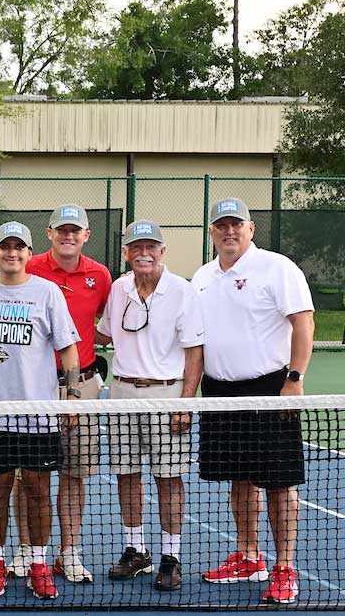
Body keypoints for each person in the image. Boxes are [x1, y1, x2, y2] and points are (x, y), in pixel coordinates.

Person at [192, 198, 313, 605]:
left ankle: (283, 568)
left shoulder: (278, 268)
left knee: (279, 483)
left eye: (236, 224)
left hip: (270, 389)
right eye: (221, 225)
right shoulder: (203, 276)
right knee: (240, 479)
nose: (229, 231)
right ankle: (248, 556)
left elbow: (304, 321)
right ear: (212, 232)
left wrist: (294, 379)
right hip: (219, 393)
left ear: (251, 228)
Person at [0, 221, 81, 600]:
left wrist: (73, 393)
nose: (12, 253)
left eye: (19, 247)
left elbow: (67, 348)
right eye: (5, 246)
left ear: (29, 254)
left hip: (37, 416)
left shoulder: (47, 293)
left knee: (37, 491)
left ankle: (38, 564)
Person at [94, 221, 203, 591]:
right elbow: (103, 331)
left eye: (151, 246)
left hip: (167, 395)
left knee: (168, 478)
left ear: (162, 251)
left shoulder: (183, 292)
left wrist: (185, 403)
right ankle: (136, 549)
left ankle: (171, 556)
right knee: (126, 474)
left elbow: (194, 352)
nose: (144, 253)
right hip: (122, 393)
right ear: (125, 252)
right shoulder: (118, 288)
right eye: (135, 246)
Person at [16, 203, 110, 583]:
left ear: (86, 236)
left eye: (76, 231)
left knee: (75, 473)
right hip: (33, 384)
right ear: (50, 234)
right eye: (62, 230)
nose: (68, 236)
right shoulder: (28, 266)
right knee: (28, 473)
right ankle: (25, 550)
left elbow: (102, 321)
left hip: (82, 386)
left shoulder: (100, 276)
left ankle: (68, 552)